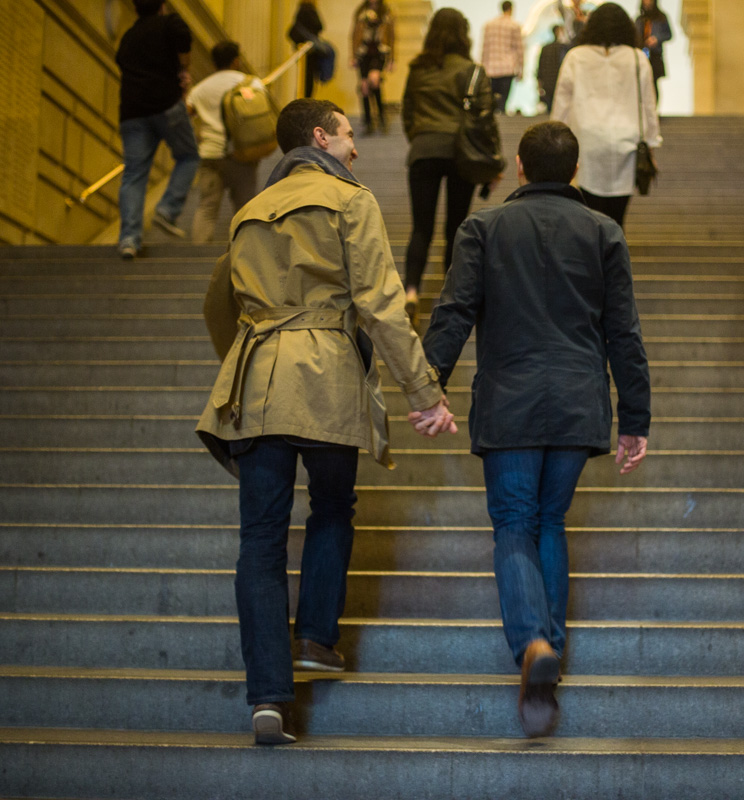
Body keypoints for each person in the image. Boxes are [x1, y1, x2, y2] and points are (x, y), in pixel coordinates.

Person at [196, 98, 455, 745]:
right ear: (321, 136)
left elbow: (216, 304)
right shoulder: (349, 199)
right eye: (348, 135)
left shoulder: (250, 209)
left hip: (256, 381)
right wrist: (424, 393)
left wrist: (251, 355)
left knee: (258, 541)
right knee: (333, 507)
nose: (356, 148)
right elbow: (381, 305)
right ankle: (314, 636)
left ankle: (267, 698)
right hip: (326, 376)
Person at [420, 121, 650, 737]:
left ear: (519, 167)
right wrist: (636, 418)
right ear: (575, 172)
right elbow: (623, 332)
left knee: (515, 523)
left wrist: (428, 386)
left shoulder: (484, 228)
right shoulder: (604, 230)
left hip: (511, 401)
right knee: (549, 520)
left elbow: (455, 311)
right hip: (578, 402)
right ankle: (548, 650)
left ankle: (532, 645)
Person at [401, 8, 499, 326]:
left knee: (421, 227)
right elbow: (484, 118)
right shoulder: (471, 70)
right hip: (460, 153)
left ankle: (411, 292)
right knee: (455, 228)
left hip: (423, 150)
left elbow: (407, 113)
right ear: (463, 34)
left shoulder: (418, 69)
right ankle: (448, 297)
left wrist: (420, 138)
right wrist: (493, 161)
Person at [552, 2, 660, 229]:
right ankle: (615, 259)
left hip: (587, 142)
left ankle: (592, 259)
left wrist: (555, 140)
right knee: (616, 219)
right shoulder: (637, 58)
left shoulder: (576, 57)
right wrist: (650, 144)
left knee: (590, 215)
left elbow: (562, 104)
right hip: (627, 144)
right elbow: (648, 105)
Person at [115, 0, 200, 259]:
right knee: (189, 156)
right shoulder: (169, 23)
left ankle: (129, 239)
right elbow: (184, 37)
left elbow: (121, 61)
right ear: (162, 5)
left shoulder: (129, 36)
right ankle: (167, 209)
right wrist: (182, 67)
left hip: (132, 112)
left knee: (134, 174)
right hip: (165, 105)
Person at [186, 41, 264, 243]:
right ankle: (245, 253)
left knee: (207, 208)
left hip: (211, 156)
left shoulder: (200, 89)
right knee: (245, 209)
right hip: (242, 155)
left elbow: (186, 116)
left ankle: (197, 256)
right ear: (236, 61)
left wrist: (197, 136)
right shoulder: (252, 84)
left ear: (214, 63)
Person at [351, 0, 395, 135]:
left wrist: (392, 59)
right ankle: (368, 121)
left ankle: (381, 118)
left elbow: (392, 37)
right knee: (364, 87)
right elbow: (353, 35)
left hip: (379, 53)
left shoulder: (386, 12)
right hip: (363, 53)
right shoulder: (360, 12)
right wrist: (352, 56)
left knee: (375, 81)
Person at [481, 1, 523, 114]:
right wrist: (521, 69)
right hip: (507, 67)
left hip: (491, 68)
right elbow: (519, 49)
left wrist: (482, 67)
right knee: (503, 101)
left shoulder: (489, 25)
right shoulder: (514, 25)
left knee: (492, 99)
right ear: (511, 9)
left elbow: (485, 48)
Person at [635, 0, 671, 104]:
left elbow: (669, 35)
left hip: (655, 54)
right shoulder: (640, 20)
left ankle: (654, 108)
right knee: (642, 82)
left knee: (654, 81)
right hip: (642, 54)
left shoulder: (662, 18)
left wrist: (657, 39)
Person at [288, 1, 324, 98]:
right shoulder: (308, 9)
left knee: (304, 81)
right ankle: (306, 103)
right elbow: (319, 26)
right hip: (308, 51)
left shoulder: (301, 9)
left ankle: (305, 102)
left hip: (306, 51)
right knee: (307, 81)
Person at [536, 25, 567, 113]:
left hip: (548, 82)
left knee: (550, 109)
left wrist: (539, 82)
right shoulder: (564, 48)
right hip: (558, 81)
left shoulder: (546, 48)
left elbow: (540, 67)